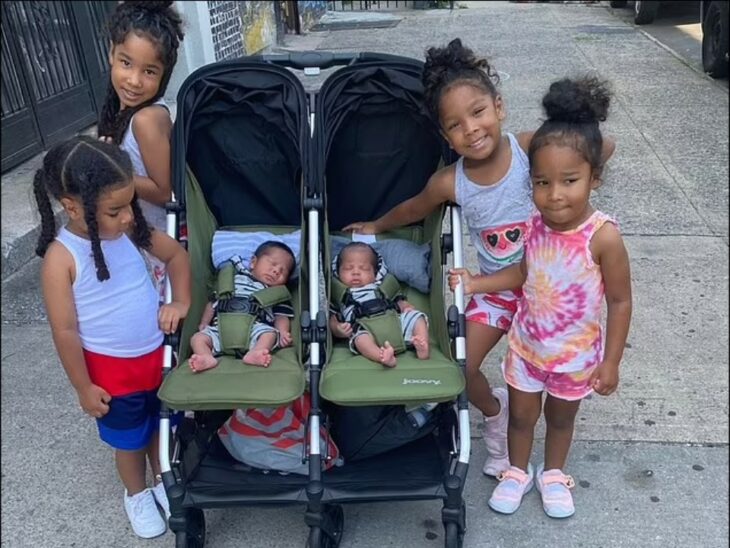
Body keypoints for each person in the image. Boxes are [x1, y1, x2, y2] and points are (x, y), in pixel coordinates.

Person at [343, 38, 615, 477]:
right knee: (459, 364)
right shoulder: (450, 182)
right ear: (444, 135)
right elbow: (414, 208)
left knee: (554, 384)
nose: (470, 129)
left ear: (499, 107)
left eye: (478, 112)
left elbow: (600, 148)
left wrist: (570, 187)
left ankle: (541, 453)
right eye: (455, 124)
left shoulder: (529, 148)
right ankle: (495, 412)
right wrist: (375, 226)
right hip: (496, 291)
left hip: (548, 295)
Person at [448, 76, 632, 518]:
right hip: (527, 350)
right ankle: (516, 471)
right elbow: (522, 272)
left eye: (570, 180)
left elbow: (620, 301)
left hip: (574, 357)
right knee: (520, 418)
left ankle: (553, 474)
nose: (554, 195)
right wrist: (476, 283)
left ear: (595, 178)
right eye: (541, 182)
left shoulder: (602, 237)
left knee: (561, 420)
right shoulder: (534, 226)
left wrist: (611, 362)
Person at [34, 136, 191, 539]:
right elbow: (64, 330)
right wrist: (83, 387)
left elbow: (175, 255)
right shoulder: (61, 259)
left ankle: (163, 480)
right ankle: (136, 492)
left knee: (161, 425)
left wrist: (181, 302)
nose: (127, 218)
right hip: (111, 372)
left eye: (129, 206)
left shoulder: (130, 231)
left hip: (155, 357)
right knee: (129, 440)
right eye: (115, 210)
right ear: (72, 207)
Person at [97, 0, 185, 299]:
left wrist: (115, 171)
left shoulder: (147, 119)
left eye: (149, 71)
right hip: (141, 239)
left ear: (164, 74)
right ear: (111, 53)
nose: (134, 80)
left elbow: (165, 192)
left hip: (164, 244)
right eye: (126, 63)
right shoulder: (124, 114)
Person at [189, 241, 296, 371]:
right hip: (220, 330)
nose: (276, 271)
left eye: (283, 271)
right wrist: (204, 323)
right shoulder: (233, 280)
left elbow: (281, 316)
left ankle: (256, 352)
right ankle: (206, 356)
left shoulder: (275, 294)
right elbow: (212, 304)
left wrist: (283, 331)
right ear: (253, 262)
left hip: (254, 331)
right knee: (197, 338)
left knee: (270, 334)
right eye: (272, 264)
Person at [330, 242, 430, 368]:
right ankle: (382, 356)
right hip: (365, 328)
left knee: (416, 317)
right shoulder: (339, 294)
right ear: (337, 271)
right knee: (360, 339)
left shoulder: (382, 287)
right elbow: (332, 318)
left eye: (364, 268)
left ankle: (421, 343)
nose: (356, 272)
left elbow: (397, 300)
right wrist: (337, 329)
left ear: (375, 273)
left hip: (394, 322)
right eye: (348, 268)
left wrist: (404, 306)